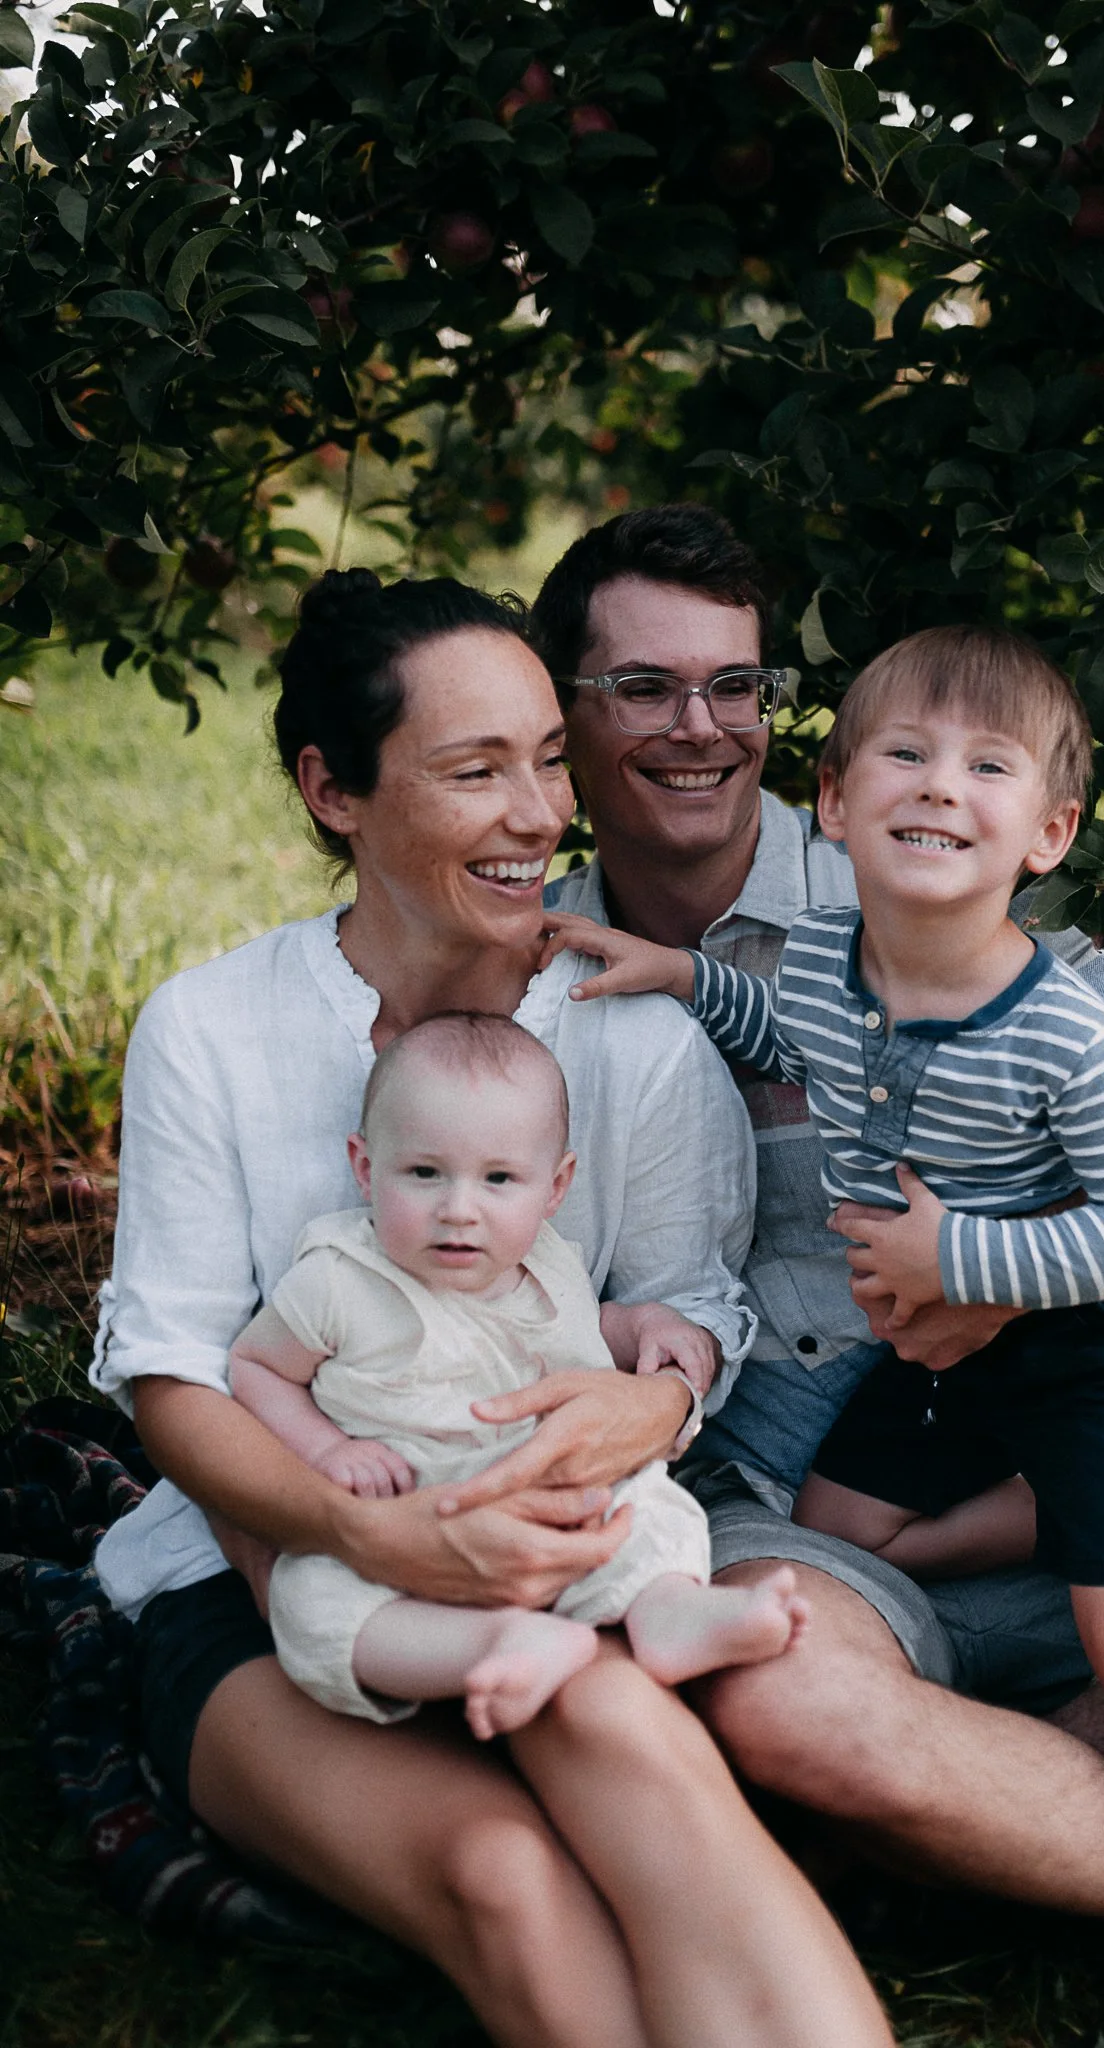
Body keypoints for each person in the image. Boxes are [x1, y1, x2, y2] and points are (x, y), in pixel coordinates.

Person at [530, 505, 1104, 1976]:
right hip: (791, 1503)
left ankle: (947, 1821)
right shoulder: (541, 967)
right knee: (792, 1713)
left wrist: (994, 1262)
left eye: (732, 685)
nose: (695, 727)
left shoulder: (941, 870)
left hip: (1059, 1464)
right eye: (640, 688)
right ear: (566, 715)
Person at [86, 568, 895, 2048]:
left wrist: (649, 1398)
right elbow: (170, 1377)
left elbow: (684, 1301)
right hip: (267, 1577)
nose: (539, 814)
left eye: (541, 756)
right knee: (505, 1876)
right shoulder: (213, 1029)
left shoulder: (630, 1036)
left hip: (545, 1555)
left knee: (632, 1746)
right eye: (474, 771)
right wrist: (370, 1534)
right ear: (332, 790)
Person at [231, 1010, 807, 1740]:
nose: (458, 1210)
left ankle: (667, 1614)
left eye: (499, 1178)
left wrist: (644, 1326)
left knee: (650, 1508)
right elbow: (256, 1369)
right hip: (403, 1529)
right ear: (365, 1167)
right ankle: (491, 1647)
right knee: (308, 1597)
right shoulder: (339, 1280)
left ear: (556, 1185)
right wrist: (327, 1451)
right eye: (424, 1174)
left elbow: (589, 1326)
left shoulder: (549, 1265)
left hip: (554, 1514)